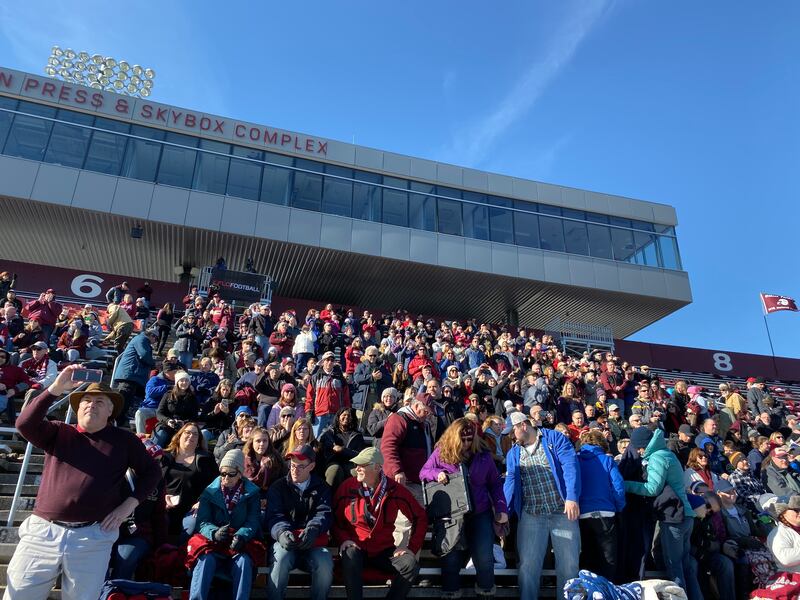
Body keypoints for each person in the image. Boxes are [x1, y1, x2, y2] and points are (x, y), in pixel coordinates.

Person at [5, 368, 161, 600]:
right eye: (86, 400)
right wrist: (55, 389)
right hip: (43, 533)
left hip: (93, 537)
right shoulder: (59, 431)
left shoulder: (125, 440)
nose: (91, 404)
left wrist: (128, 505)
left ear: (110, 410)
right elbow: (24, 424)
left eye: (99, 401)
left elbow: (152, 472)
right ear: (77, 408)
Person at [419, 418, 508, 599]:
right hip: (452, 513)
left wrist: (501, 508)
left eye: (470, 439)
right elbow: (423, 472)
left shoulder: (483, 454)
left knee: (484, 556)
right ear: (455, 437)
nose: (467, 443)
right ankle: (450, 591)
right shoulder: (441, 452)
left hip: (480, 511)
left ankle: (485, 590)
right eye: (463, 440)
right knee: (450, 556)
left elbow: (495, 484)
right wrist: (437, 474)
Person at [504, 411, 581, 600]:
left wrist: (572, 497)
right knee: (527, 565)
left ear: (523, 425)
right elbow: (510, 482)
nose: (511, 436)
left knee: (569, 564)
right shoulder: (513, 452)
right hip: (532, 514)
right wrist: (503, 511)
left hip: (561, 511)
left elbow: (571, 466)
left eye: (512, 430)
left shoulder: (554, 438)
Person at [332, 447, 428, 600]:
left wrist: (411, 548)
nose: (357, 468)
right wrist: (344, 539)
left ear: (377, 467)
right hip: (356, 548)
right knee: (350, 554)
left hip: (383, 550)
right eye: (356, 464)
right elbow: (335, 520)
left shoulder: (394, 489)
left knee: (410, 565)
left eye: (362, 465)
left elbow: (420, 517)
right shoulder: (347, 487)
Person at [624, 427, 703, 600]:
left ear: (645, 445)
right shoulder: (667, 453)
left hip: (673, 516)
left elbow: (652, 488)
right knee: (686, 565)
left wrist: (625, 484)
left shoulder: (657, 457)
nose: (638, 451)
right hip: (686, 514)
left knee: (674, 566)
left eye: (639, 447)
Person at [188, 449, 262, 600]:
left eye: (231, 474)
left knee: (244, 561)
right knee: (205, 559)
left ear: (240, 474)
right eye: (223, 473)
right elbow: (202, 521)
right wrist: (214, 532)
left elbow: (253, 520)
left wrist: (242, 536)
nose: (225, 477)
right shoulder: (209, 492)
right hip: (214, 543)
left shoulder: (252, 493)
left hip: (238, 543)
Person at [265, 444, 334, 600]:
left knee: (325, 562)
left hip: (312, 543)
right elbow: (274, 515)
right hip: (286, 541)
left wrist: (314, 529)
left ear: (312, 466)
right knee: (280, 559)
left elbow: (324, 513)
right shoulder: (278, 487)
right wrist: (282, 532)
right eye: (292, 465)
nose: (295, 469)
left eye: (301, 466)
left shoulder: (322, 487)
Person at [576, 429, 626, 582]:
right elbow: (618, 486)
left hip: (583, 514)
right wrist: (619, 506)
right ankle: (607, 591)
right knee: (608, 559)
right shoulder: (607, 460)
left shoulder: (575, 459)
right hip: (606, 513)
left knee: (586, 556)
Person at [161, 422, 217, 537]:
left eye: (195, 434)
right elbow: (154, 482)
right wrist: (162, 498)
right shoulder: (164, 456)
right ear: (179, 436)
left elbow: (216, 484)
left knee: (187, 532)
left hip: (192, 509)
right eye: (187, 433)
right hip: (165, 505)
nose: (191, 436)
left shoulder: (206, 458)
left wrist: (202, 502)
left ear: (199, 440)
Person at [381, 395, 434, 503]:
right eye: (426, 411)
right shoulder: (399, 419)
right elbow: (388, 446)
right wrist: (397, 471)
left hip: (418, 481)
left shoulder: (423, 425)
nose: (427, 415)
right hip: (403, 481)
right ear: (416, 406)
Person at [112, 328, 158, 427]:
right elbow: (144, 355)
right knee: (124, 397)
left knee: (130, 398)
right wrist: (154, 364)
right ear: (152, 336)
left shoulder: (140, 340)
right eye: (156, 339)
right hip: (130, 374)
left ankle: (122, 418)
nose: (155, 342)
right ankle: (117, 419)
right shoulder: (142, 339)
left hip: (133, 374)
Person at [317, 407, 368, 489]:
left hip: (350, 463)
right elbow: (322, 449)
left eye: (349, 416)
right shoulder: (328, 433)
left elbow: (361, 455)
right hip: (332, 462)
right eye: (343, 415)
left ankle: (353, 499)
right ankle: (330, 497)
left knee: (355, 473)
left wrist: (343, 450)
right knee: (335, 470)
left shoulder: (357, 435)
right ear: (338, 417)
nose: (346, 417)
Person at [305, 351, 350, 437]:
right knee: (317, 440)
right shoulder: (315, 377)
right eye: (327, 360)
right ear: (323, 362)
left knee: (336, 439)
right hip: (319, 414)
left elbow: (346, 397)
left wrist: (347, 411)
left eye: (332, 360)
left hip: (336, 414)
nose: (329, 362)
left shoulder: (340, 378)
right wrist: (308, 411)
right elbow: (309, 397)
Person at [155, 370, 199, 448]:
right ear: (177, 382)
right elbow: (159, 413)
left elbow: (194, 415)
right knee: (161, 435)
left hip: (184, 426)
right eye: (181, 380)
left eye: (186, 380)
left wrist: (185, 422)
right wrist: (167, 421)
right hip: (167, 425)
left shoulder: (192, 398)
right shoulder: (168, 395)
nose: (184, 383)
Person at [352, 345, 392, 430]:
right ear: (366, 355)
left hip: (377, 396)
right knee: (362, 420)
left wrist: (382, 377)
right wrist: (371, 377)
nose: (373, 357)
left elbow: (390, 379)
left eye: (375, 355)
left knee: (375, 418)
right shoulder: (360, 366)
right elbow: (357, 378)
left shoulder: (381, 367)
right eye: (370, 355)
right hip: (364, 397)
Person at [767, 495, 800, 575]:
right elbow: (786, 559)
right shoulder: (778, 533)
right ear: (783, 513)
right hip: (794, 576)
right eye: (796, 510)